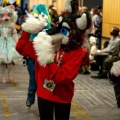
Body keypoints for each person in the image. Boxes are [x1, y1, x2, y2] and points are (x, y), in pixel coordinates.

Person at [16, 0, 91, 119]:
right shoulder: (46, 42)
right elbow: (21, 47)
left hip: (63, 96)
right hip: (44, 93)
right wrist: (28, 28)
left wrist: (49, 59)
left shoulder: (76, 52)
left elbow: (64, 77)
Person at [21, 4, 51, 108]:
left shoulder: (49, 29)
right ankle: (30, 98)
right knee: (33, 80)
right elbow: (22, 45)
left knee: (44, 81)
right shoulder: (30, 30)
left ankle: (45, 102)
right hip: (32, 59)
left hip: (45, 60)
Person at [0, 5, 20, 83]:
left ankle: (9, 75)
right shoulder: (0, 25)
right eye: (2, 15)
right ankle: (3, 76)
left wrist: (17, 43)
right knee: (2, 62)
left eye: (8, 15)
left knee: (9, 61)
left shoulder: (12, 25)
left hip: (10, 43)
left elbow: (15, 34)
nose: (6, 17)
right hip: (1, 44)